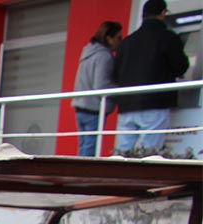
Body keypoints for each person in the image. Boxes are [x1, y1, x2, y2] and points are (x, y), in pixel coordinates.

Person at [113, 0, 190, 155]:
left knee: (122, 154)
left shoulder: (127, 42)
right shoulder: (168, 37)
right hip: (155, 102)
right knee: (149, 153)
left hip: (127, 105)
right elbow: (181, 66)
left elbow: (115, 74)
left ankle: (119, 178)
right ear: (162, 13)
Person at [72, 21, 122, 157]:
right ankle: (83, 175)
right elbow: (101, 86)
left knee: (83, 146)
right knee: (90, 149)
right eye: (118, 37)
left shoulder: (88, 52)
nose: (120, 41)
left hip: (81, 107)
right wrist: (121, 91)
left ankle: (79, 173)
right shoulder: (104, 56)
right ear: (109, 38)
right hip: (94, 109)